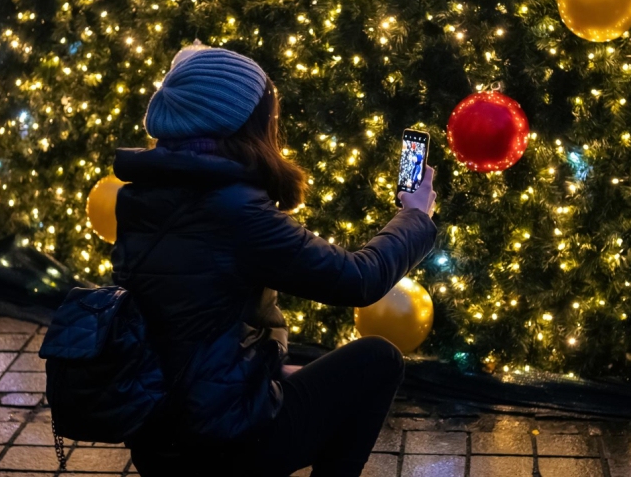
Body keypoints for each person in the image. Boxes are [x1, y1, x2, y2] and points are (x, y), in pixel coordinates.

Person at [111, 48, 438, 476]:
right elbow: (358, 278)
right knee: (378, 361)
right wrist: (414, 217)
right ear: (249, 123)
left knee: (307, 372)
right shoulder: (233, 210)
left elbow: (187, 318)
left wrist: (267, 365)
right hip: (224, 444)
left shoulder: (140, 192)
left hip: (156, 436)